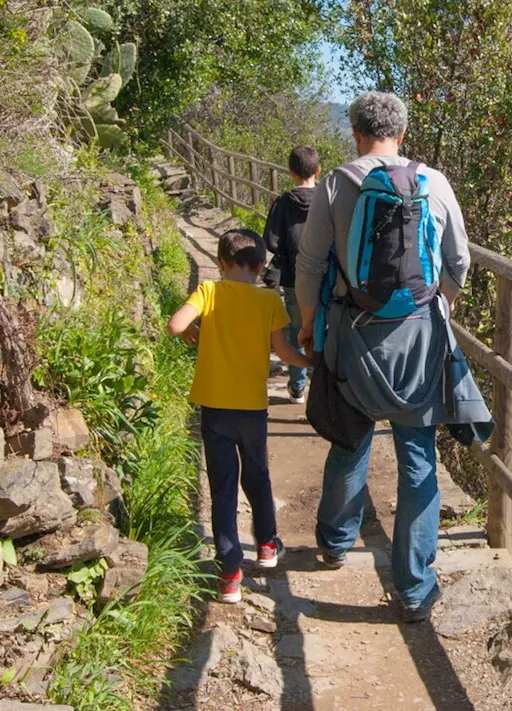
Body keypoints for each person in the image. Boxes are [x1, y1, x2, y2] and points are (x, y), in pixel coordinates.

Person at [295, 91, 472, 622]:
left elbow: (309, 262)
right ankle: (415, 589)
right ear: (403, 132)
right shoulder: (434, 182)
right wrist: (441, 305)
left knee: (351, 438)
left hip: (354, 333)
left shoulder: (335, 183)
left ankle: (333, 541)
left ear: (354, 133)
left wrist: (308, 324)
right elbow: (458, 259)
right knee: (419, 457)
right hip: (419, 336)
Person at [167, 228, 313, 603]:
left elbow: (176, 324)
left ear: (220, 262)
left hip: (215, 408)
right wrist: (315, 364)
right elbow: (284, 352)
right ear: (262, 265)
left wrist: (192, 332)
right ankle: (266, 544)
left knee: (223, 489)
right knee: (258, 474)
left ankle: (230, 575)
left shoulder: (210, 292)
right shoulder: (270, 301)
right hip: (252, 407)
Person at [262, 146, 320, 404]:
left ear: (290, 172)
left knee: (298, 329)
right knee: (325, 331)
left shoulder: (284, 202)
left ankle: (298, 387)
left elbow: (271, 241)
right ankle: (322, 388)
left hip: (295, 278)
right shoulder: (328, 200)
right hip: (326, 278)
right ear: (318, 170)